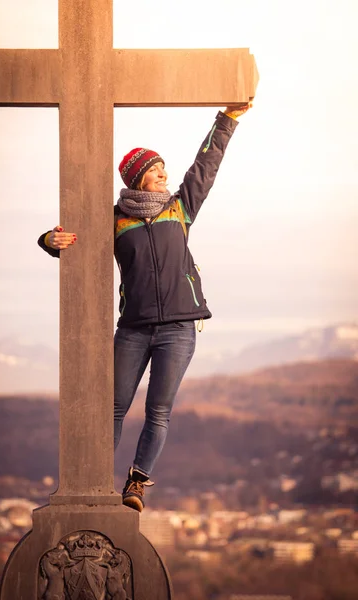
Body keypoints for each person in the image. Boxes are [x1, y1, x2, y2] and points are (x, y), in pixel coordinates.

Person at [38, 103, 252, 512]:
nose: (165, 177)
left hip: (179, 329)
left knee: (159, 410)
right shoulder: (114, 221)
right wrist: (50, 240)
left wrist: (227, 120)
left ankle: (135, 484)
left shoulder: (180, 208)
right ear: (138, 177)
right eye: (157, 171)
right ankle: (95, 480)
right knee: (113, 407)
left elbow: (204, 167)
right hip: (134, 329)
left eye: (165, 170)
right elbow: (69, 236)